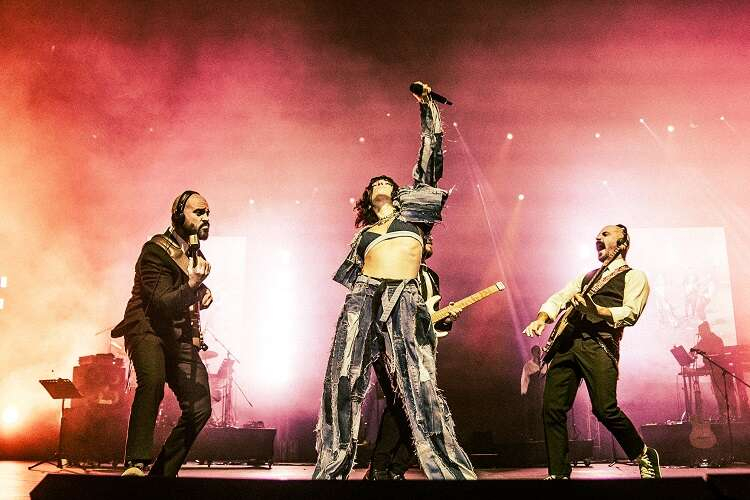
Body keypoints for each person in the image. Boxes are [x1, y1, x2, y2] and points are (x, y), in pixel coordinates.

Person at [313, 84, 476, 480]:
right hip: (364, 295)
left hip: (405, 296)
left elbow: (429, 165)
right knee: (343, 378)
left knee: (419, 380)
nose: (383, 182)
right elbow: (354, 275)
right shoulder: (363, 235)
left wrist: (428, 109)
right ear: (368, 197)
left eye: (388, 181)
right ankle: (332, 465)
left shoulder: (413, 217)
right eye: (376, 183)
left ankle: (445, 465)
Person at [522, 224, 661, 479]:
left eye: (606, 234)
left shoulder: (635, 276)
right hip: (566, 345)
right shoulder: (586, 277)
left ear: (622, 244)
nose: (598, 237)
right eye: (598, 234)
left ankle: (643, 454)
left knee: (605, 409)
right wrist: (542, 319)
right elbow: (559, 298)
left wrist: (596, 310)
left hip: (599, 346)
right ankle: (558, 474)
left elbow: (630, 313)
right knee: (552, 409)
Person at [112, 190, 214, 477]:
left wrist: (203, 292)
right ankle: (135, 464)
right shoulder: (154, 251)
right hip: (147, 328)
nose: (206, 218)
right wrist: (193, 286)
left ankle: (163, 473)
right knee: (153, 382)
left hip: (176, 335)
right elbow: (161, 302)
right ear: (179, 215)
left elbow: (183, 291)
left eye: (208, 213)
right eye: (199, 212)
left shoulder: (195, 255)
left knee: (200, 406)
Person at [365, 236, 462, 479]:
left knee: (424, 409)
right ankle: (379, 468)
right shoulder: (394, 268)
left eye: (430, 234)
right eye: (423, 233)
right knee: (400, 405)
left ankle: (396, 469)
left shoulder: (432, 277)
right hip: (390, 346)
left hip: (421, 350)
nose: (430, 237)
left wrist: (446, 319)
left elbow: (432, 321)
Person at [692, 321, 738, 421]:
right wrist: (691, 352)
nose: (701, 335)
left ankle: (734, 416)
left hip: (722, 371)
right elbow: (694, 349)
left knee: (728, 394)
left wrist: (701, 351)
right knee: (718, 394)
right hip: (713, 371)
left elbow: (717, 355)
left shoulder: (716, 340)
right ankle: (723, 415)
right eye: (700, 333)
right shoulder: (703, 341)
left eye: (702, 333)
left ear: (707, 331)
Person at [520, 345, 547, 441]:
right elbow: (525, 379)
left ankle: (543, 435)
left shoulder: (544, 364)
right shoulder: (528, 365)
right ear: (532, 353)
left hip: (543, 391)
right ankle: (534, 435)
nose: (538, 353)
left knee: (543, 413)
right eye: (536, 351)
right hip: (533, 392)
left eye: (539, 351)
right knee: (534, 413)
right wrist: (524, 392)